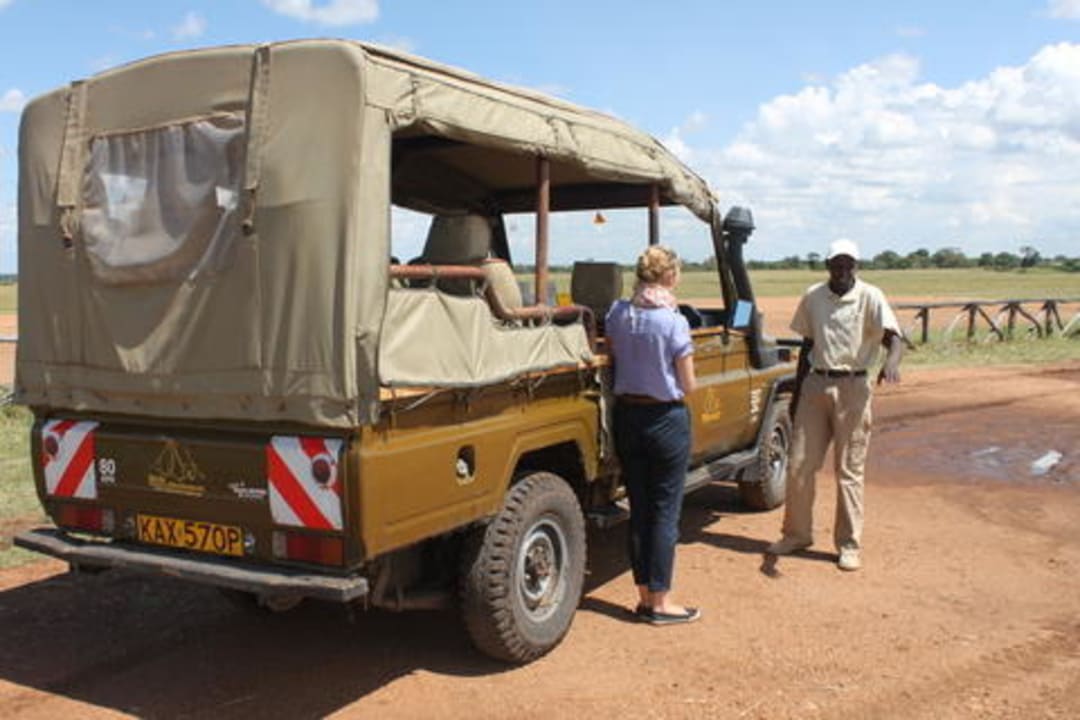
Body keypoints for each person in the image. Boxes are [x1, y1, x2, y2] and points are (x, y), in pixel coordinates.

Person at [768, 238, 903, 571]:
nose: (843, 271)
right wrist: (798, 396)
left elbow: (895, 338)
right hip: (816, 384)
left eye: (849, 265)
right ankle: (797, 534)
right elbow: (807, 345)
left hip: (854, 386)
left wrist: (892, 363)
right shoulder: (813, 297)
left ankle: (848, 544)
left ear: (856, 267)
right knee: (799, 464)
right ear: (827, 266)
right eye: (837, 265)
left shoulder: (871, 296)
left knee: (849, 470)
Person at [606, 245, 700, 625]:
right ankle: (661, 603)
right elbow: (688, 384)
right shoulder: (674, 322)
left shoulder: (618, 313)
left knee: (640, 509)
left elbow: (614, 357)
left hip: (627, 416)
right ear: (670, 276)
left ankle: (645, 595)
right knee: (665, 512)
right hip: (665, 418)